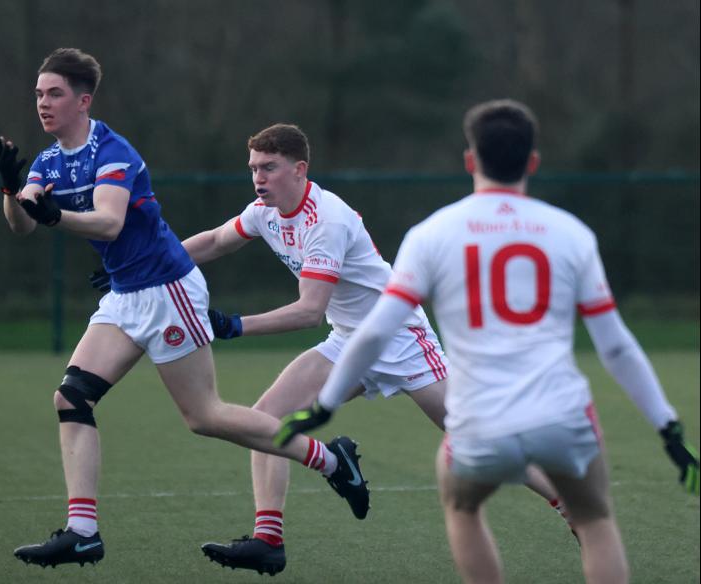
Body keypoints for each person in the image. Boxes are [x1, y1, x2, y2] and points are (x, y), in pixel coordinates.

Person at [277, 100, 700, 584]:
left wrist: (325, 406)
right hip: (561, 415)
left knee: (463, 507)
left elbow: (374, 331)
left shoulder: (432, 233)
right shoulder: (571, 234)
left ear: (469, 160)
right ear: (533, 162)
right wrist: (668, 428)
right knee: (596, 520)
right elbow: (617, 347)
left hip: (480, 419)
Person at [0, 48, 369, 572]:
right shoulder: (48, 161)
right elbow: (23, 224)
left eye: (54, 93)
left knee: (204, 416)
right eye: (39, 94)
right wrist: (12, 192)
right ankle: (82, 533)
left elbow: (108, 222)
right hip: (125, 293)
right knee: (71, 397)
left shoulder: (113, 151)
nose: (43, 103)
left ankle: (331, 461)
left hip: (167, 289)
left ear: (83, 101)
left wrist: (55, 215)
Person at [182, 123, 572, 577]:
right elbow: (215, 240)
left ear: (299, 169)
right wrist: (157, 264)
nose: (258, 178)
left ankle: (570, 505)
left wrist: (232, 326)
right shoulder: (263, 212)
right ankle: (268, 541)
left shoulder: (326, 220)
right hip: (348, 341)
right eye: (253, 168)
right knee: (266, 419)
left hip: (398, 337)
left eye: (269, 167)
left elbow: (309, 311)